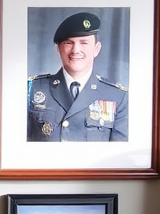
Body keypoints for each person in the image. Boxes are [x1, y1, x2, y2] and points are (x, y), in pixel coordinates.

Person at [27, 11, 128, 142]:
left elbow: (118, 157)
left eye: (84, 43)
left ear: (96, 49)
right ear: (58, 49)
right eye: (69, 43)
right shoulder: (32, 89)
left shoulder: (118, 97)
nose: (76, 50)